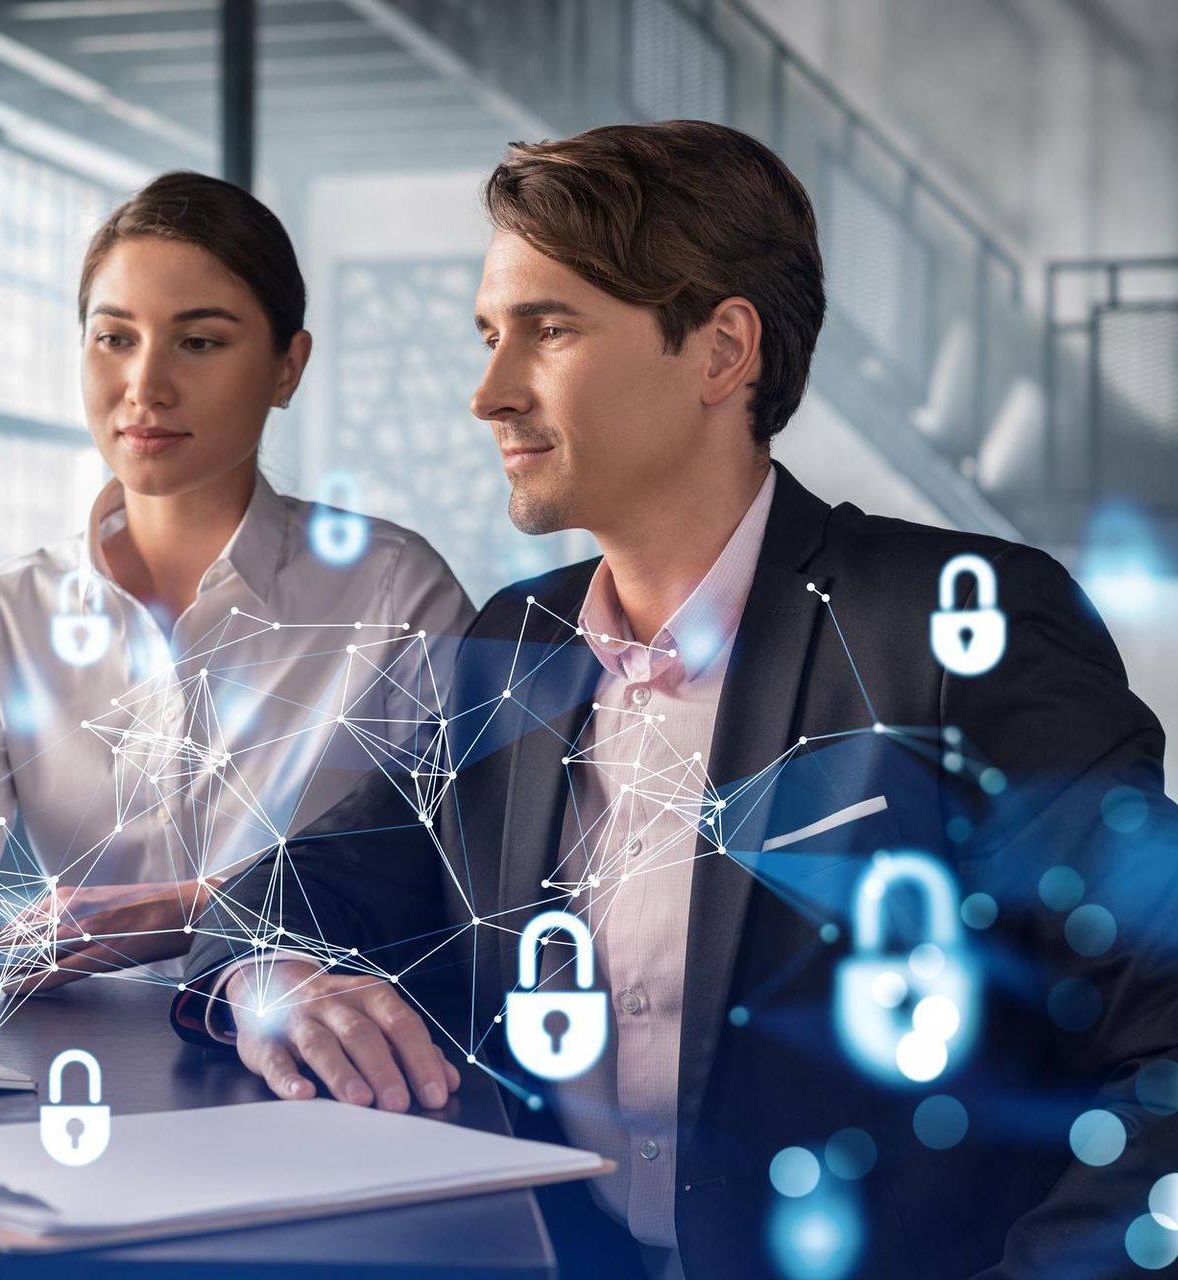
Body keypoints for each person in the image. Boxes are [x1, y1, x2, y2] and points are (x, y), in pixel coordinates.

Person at [170, 121, 1178, 1278]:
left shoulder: (961, 631)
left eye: (549, 331)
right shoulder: (516, 644)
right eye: (492, 335)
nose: (488, 392)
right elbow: (299, 882)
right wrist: (271, 978)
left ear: (721, 351)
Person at [0, 171, 473, 987]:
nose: (145, 387)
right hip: (85, 1070)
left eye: (199, 341)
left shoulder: (395, 594)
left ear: (287, 367)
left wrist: (194, 906)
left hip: (314, 1067)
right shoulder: (4, 619)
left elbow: (454, 882)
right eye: (115, 338)